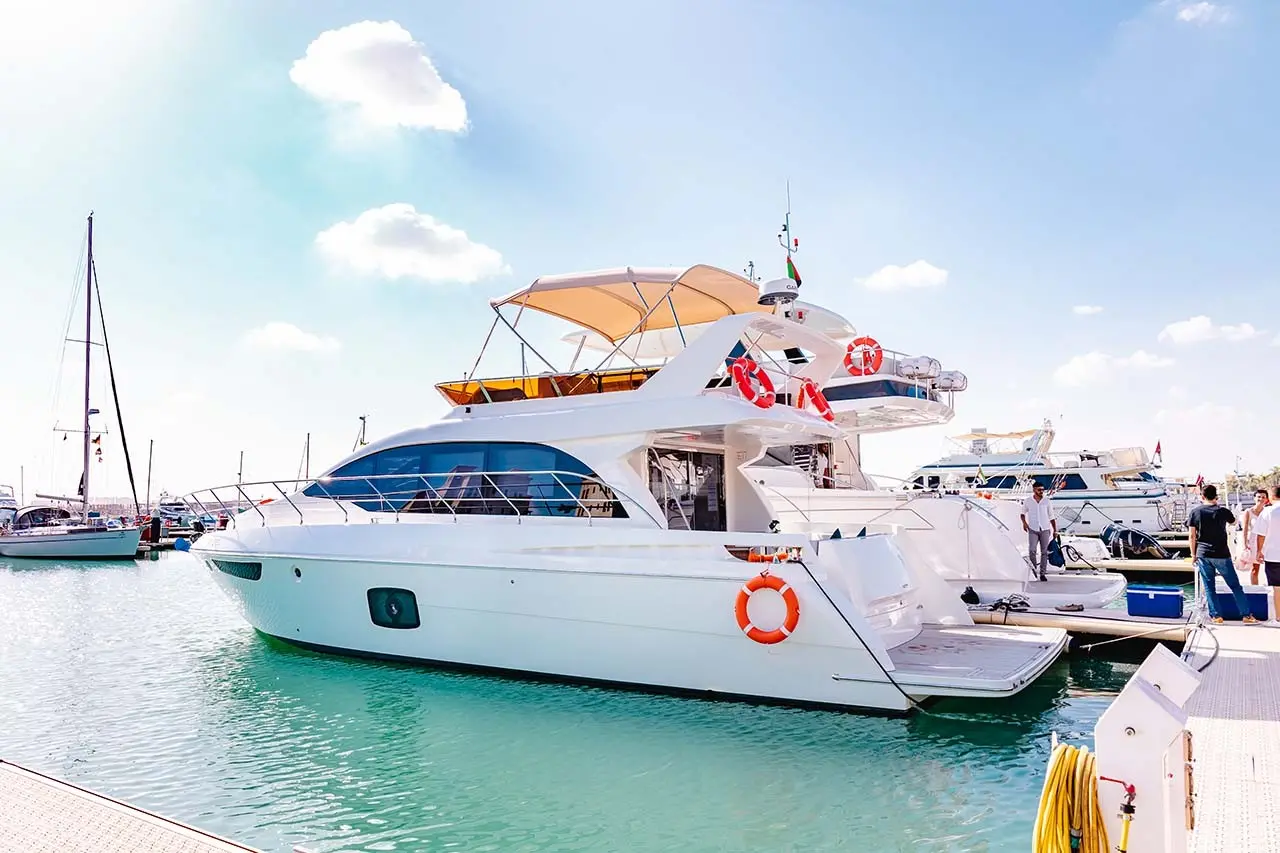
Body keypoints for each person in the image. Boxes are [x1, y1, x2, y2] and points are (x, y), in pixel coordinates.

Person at [1188, 484, 1257, 624]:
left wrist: (1193, 555)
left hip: (1203, 554)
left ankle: (1216, 616)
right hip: (1221, 553)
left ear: (1202, 496)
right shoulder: (1223, 511)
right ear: (1216, 496)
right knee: (1235, 585)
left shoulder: (1195, 512)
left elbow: (1192, 536)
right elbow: (1234, 522)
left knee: (1209, 586)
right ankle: (1246, 615)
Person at [1251, 485, 1280, 622]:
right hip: (1273, 556)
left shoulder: (1268, 511)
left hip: (1273, 556)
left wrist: (1259, 552)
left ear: (1272, 496)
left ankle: (1279, 617)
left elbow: (1260, 535)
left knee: (1277, 588)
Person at [1021, 481, 1057, 582]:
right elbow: (1022, 513)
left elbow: (1051, 516)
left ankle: (1042, 573)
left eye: (1042, 489)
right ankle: (1033, 572)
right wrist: (1024, 523)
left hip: (1045, 528)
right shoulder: (1028, 501)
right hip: (1033, 529)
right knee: (1032, 550)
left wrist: (1055, 530)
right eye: (1039, 490)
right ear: (1034, 490)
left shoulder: (1047, 501)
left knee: (1044, 552)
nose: (1041, 491)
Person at [1241, 488, 1271, 585]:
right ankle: (1255, 589)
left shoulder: (1268, 511)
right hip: (1253, 543)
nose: (1261, 499)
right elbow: (1245, 529)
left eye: (1263, 497)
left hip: (1268, 542)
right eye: (1259, 497)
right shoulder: (1248, 512)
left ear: (1266, 499)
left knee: (1272, 568)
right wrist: (1244, 544)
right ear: (1254, 498)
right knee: (1255, 569)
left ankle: (1273, 588)